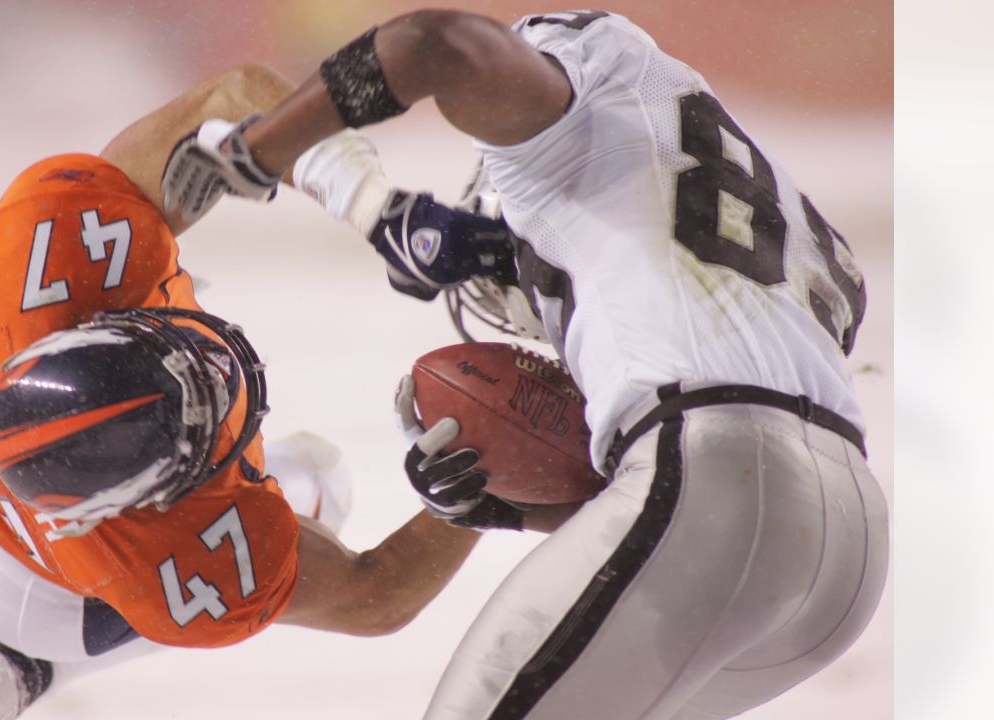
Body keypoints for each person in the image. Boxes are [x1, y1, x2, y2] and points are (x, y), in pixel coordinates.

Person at [162, 9, 889, 720]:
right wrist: (503, 505)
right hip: (848, 554)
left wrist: (273, 153)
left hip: (709, 474)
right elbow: (743, 486)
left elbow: (434, 42)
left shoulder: (565, 131)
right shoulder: (777, 226)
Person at [0, 64, 498, 720]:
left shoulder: (49, 253)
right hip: (46, 605)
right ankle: (22, 669)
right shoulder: (164, 547)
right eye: (196, 428)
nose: (222, 371)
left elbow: (231, 94)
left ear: (99, 328)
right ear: (154, 498)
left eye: (180, 367)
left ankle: (20, 669)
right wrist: (474, 486)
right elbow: (372, 597)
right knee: (318, 482)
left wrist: (373, 205)